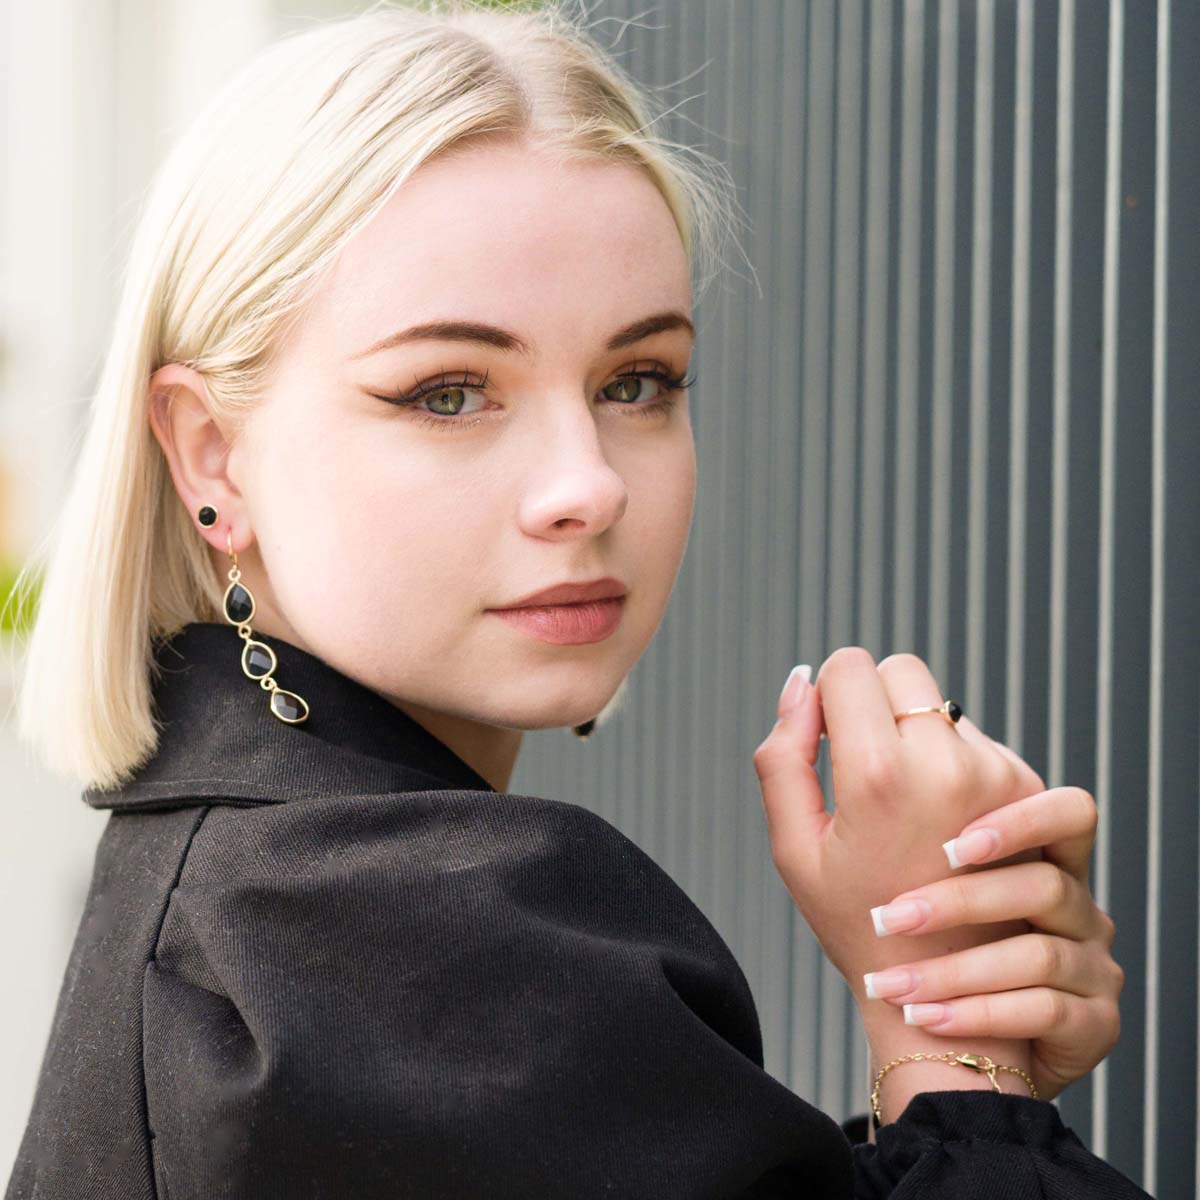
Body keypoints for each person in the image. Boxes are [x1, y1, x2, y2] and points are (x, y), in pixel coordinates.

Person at [4, 2, 1149, 1196]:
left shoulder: (239, 880)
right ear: (210, 456)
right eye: (449, 392)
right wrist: (960, 1055)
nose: (587, 486)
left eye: (637, 380)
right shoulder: (385, 925)